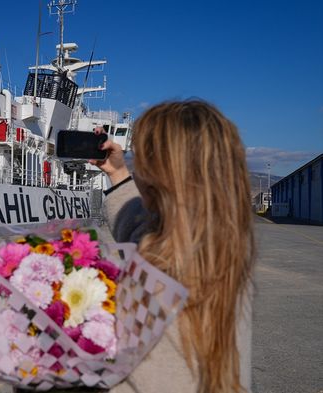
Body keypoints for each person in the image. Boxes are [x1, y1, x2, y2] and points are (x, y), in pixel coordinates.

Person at [90, 100, 254, 393]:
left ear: (161, 179)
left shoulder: (152, 281)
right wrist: (117, 173)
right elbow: (143, 226)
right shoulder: (226, 255)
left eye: (145, 161)